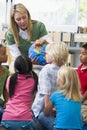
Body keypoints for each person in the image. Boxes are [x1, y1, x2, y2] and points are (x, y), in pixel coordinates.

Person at [32, 42, 69, 129]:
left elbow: (46, 93)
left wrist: (47, 111)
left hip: (42, 110)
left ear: (54, 54)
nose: (45, 55)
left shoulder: (46, 69)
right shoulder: (65, 70)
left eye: (47, 53)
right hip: (57, 110)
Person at [6, 3, 48, 73]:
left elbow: (51, 48)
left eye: (24, 17)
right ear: (14, 20)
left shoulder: (39, 26)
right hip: (21, 62)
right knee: (15, 72)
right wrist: (29, 62)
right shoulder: (10, 34)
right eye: (18, 19)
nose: (22, 21)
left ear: (28, 15)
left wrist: (45, 42)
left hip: (40, 61)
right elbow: (17, 57)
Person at [0, 55, 38, 130]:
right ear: (30, 68)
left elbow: (8, 91)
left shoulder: (10, 79)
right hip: (25, 120)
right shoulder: (32, 81)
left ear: (15, 68)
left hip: (7, 119)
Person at [77, 43, 87, 130]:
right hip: (78, 97)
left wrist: (83, 98)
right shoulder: (80, 67)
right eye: (80, 53)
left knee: (83, 117)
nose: (80, 56)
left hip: (85, 100)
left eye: (84, 54)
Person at [0, 44, 10, 122]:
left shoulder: (6, 71)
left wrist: (7, 101)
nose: (6, 56)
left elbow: (5, 90)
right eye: (3, 54)